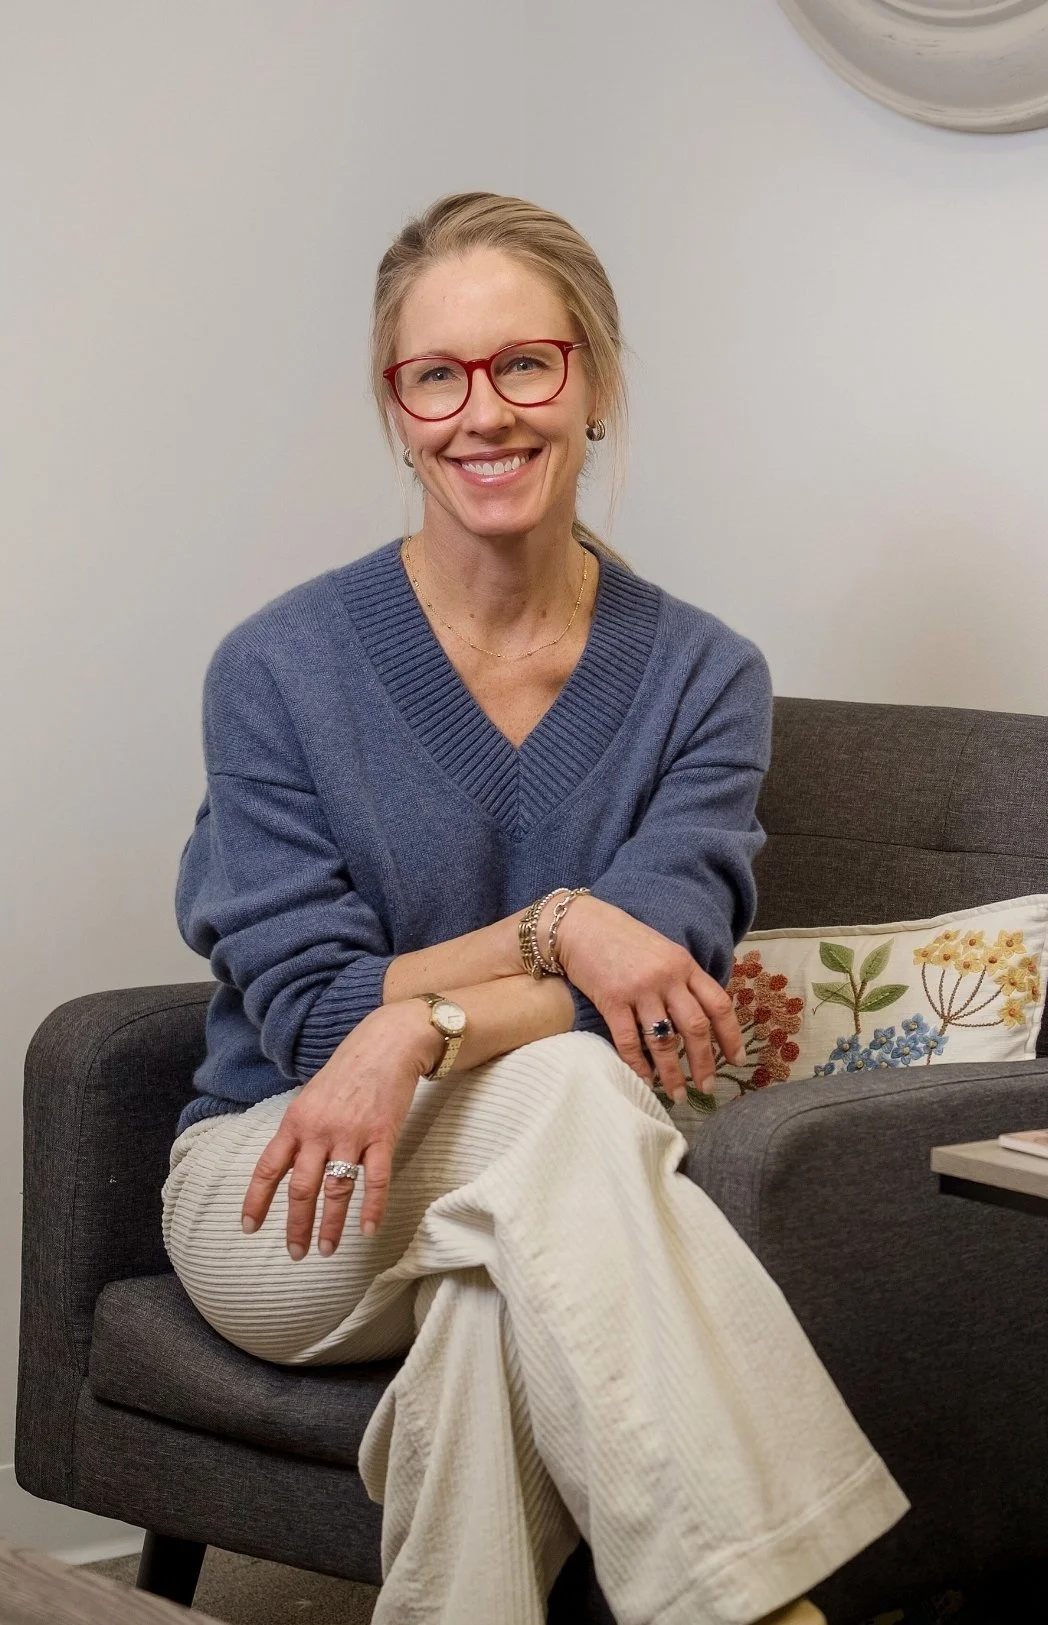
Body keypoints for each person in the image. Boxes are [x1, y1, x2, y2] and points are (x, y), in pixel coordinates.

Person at [161, 192, 909, 1625]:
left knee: (509, 1288)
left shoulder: (703, 678)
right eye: (434, 375)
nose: (480, 414)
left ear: (598, 382)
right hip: (292, 1187)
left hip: (543, 1176)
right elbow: (318, 1018)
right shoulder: (277, 669)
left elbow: (655, 1006)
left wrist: (421, 1020)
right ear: (395, 409)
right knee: (564, 1081)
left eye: (526, 364)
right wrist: (555, 929)